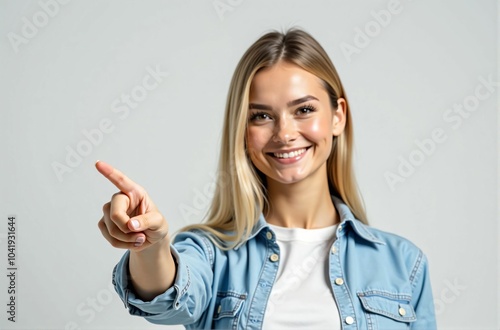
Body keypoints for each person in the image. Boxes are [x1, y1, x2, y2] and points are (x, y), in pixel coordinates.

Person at [96, 28, 437, 329]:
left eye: (304, 109)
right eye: (261, 116)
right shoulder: (211, 254)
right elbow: (166, 300)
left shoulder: (403, 262)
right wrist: (151, 246)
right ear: (242, 131)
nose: (285, 134)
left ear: (337, 117)